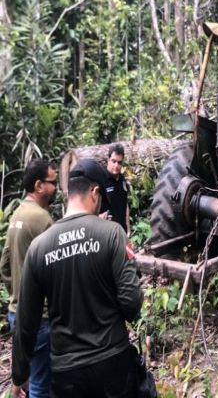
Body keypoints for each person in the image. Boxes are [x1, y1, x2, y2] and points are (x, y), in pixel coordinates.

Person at [11, 158, 144, 398]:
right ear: (95, 192)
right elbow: (132, 303)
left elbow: (25, 322)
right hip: (113, 363)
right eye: (102, 197)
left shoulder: (40, 248)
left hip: (66, 373)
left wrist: (19, 375)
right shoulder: (112, 234)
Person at [0, 158, 57, 398]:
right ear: (38, 185)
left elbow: (4, 266)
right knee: (41, 386)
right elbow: (57, 271)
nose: (57, 188)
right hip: (40, 318)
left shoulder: (16, 216)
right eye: (53, 183)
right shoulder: (43, 221)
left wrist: (20, 291)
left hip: (17, 313)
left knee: (30, 379)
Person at [100, 143, 131, 236]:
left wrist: (128, 229)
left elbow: (125, 204)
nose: (116, 165)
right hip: (106, 233)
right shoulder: (101, 179)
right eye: (113, 161)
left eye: (119, 162)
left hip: (122, 232)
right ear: (108, 160)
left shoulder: (122, 179)